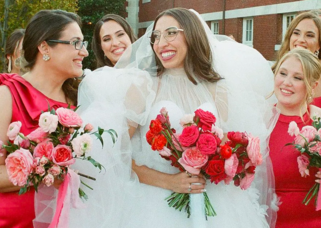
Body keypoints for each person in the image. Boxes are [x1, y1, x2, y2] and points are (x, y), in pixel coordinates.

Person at [74, 7, 277, 227]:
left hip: (217, 204)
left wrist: (220, 166)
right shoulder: (143, 85)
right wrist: (169, 181)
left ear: (191, 34)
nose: (161, 44)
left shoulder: (218, 88)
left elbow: (227, 145)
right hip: (155, 204)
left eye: (171, 33)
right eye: (156, 37)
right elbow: (119, 156)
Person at [0, 9, 88, 228]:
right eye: (76, 43)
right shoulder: (7, 94)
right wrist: (47, 172)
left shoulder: (81, 101)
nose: (84, 52)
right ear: (44, 47)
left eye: (83, 43)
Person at [269, 48, 321, 227]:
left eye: (297, 78)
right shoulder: (259, 122)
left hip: (319, 222)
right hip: (269, 221)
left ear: (313, 86)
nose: (287, 82)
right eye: (282, 73)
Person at [272, 12, 321, 113]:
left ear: (319, 44)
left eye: (309, 35)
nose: (301, 40)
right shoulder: (273, 73)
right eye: (296, 33)